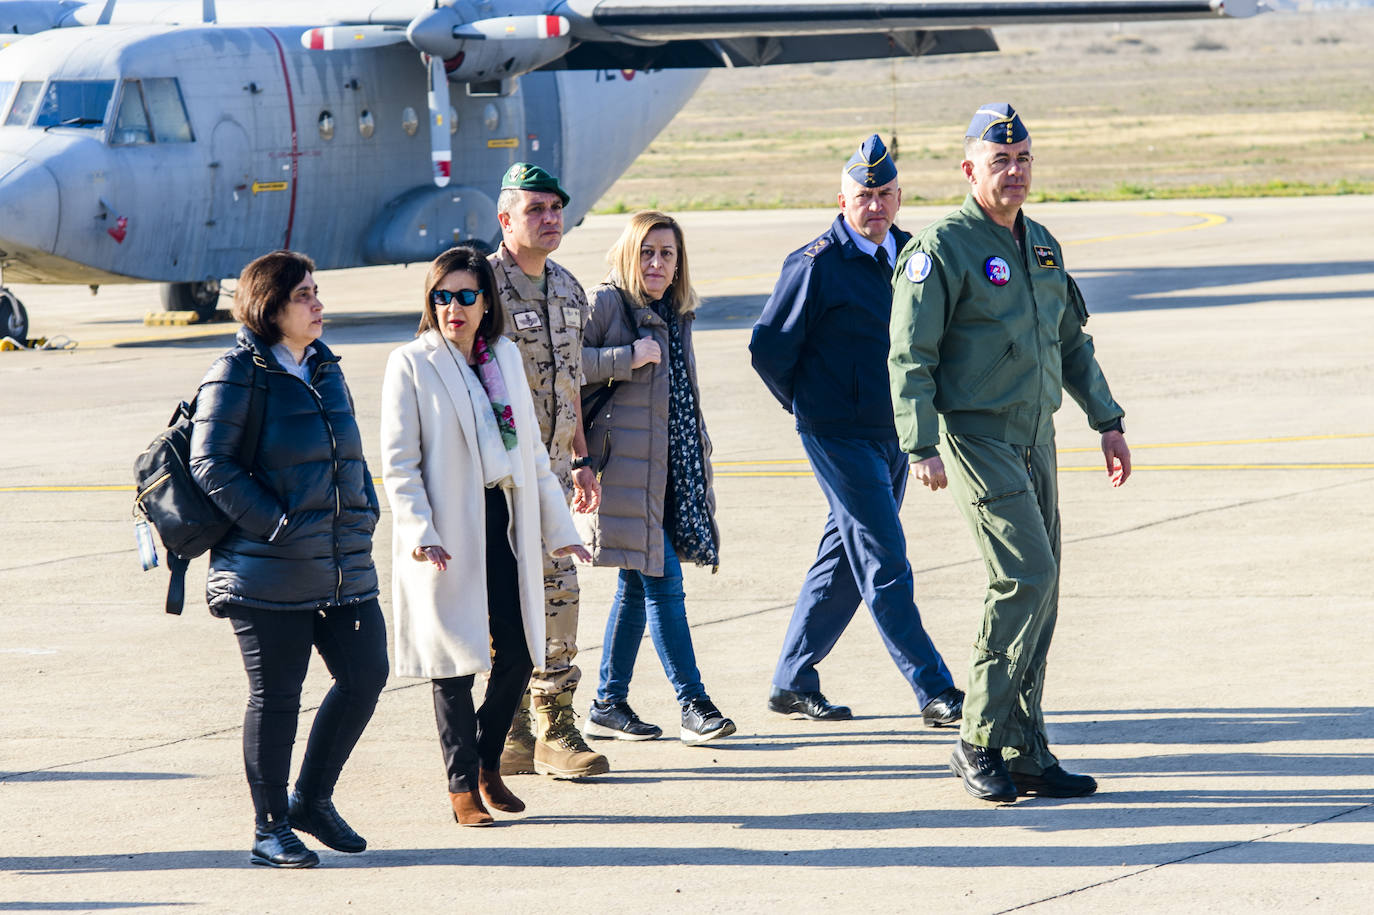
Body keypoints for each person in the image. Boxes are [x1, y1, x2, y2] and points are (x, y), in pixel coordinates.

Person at [888, 103, 1132, 803]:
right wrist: (921, 444)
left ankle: (1025, 747)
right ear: (970, 169)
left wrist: (1107, 420)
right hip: (975, 435)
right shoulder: (942, 249)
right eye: (1001, 161)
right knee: (1022, 575)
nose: (1016, 171)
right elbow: (910, 356)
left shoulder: (1043, 245)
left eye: (1024, 159)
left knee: (1044, 588)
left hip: (1036, 435)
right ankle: (977, 736)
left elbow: (1072, 342)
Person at [750, 135, 964, 728]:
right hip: (837, 433)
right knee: (884, 556)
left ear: (900, 197)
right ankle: (935, 689)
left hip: (893, 432)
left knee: (843, 560)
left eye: (885, 195)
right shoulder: (815, 264)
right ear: (841, 200)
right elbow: (768, 349)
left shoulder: (913, 255)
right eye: (864, 196)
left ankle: (793, 680)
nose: (875, 206)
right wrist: (810, 405)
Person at [190, 250, 389, 868]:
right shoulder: (237, 371)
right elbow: (209, 465)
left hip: (339, 560)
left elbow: (347, 456)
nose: (318, 304)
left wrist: (365, 510)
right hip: (265, 568)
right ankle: (269, 827)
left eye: (316, 291)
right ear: (270, 307)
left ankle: (311, 800)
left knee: (365, 675)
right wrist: (274, 524)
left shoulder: (325, 367)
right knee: (277, 698)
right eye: (304, 295)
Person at [380, 246, 591, 825]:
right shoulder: (412, 363)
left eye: (466, 296)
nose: (453, 307)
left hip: (504, 519)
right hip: (447, 529)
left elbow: (530, 457)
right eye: (441, 296)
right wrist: (420, 529)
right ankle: (462, 787)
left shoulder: (501, 357)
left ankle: (485, 759)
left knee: (520, 652)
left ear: (484, 302)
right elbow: (400, 463)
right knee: (451, 660)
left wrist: (561, 529)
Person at [576, 210, 736, 746]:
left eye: (667, 254)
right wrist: (626, 356)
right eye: (647, 251)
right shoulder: (607, 303)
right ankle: (693, 702)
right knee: (666, 585)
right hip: (625, 474)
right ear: (629, 254)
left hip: (669, 475)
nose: (657, 262)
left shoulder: (675, 312)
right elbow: (565, 366)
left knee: (633, 586)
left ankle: (607, 703)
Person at [488, 162, 609, 779]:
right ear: (505, 219)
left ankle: (555, 725)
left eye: (556, 209)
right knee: (503, 600)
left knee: (559, 591)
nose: (550, 219)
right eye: (536, 210)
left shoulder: (566, 287)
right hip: (497, 481)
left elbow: (571, 386)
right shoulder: (478, 289)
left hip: (556, 475)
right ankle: (509, 729)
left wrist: (583, 458)